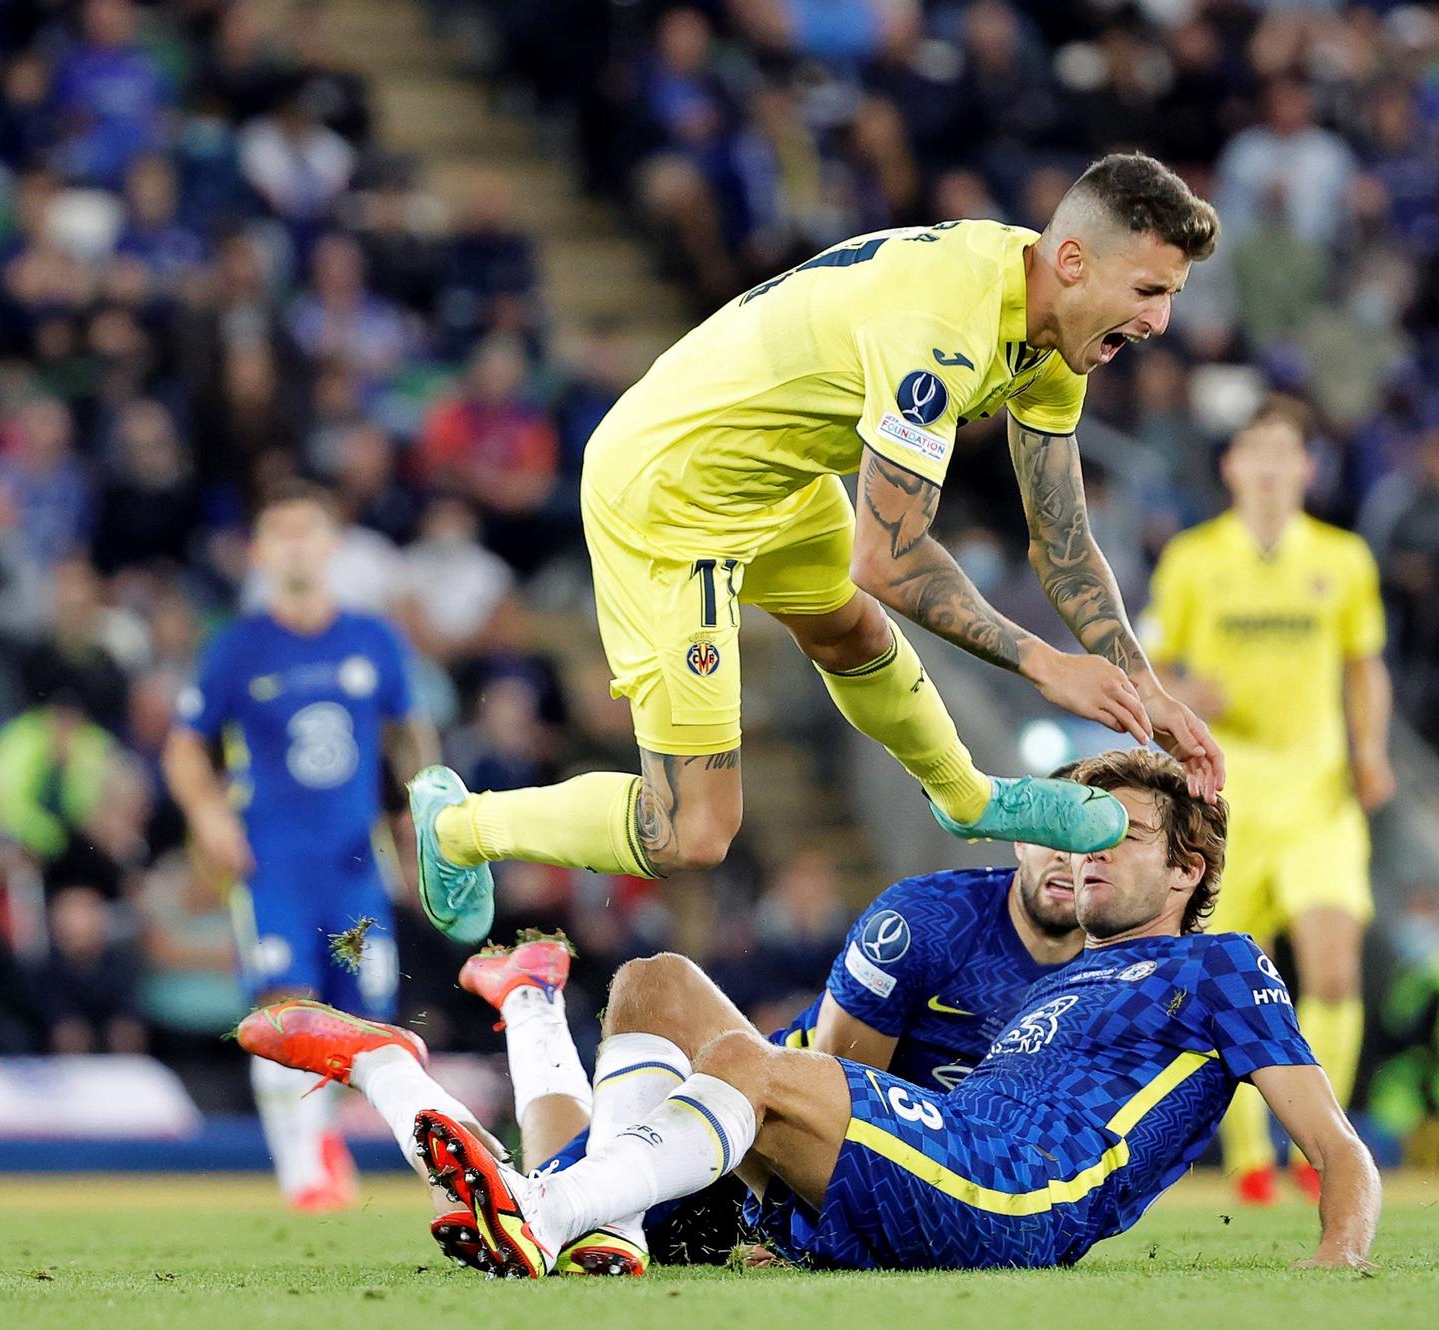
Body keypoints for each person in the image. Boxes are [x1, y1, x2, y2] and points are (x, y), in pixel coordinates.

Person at [407, 152, 1226, 946]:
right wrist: (1046, 664)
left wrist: (1146, 691)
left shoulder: (1055, 326)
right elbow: (888, 559)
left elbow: (1065, 543)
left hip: (778, 472)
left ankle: (968, 799)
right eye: (1149, 291)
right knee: (693, 831)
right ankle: (459, 826)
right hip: (674, 496)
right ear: (1075, 260)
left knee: (851, 632)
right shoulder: (942, 330)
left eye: (1171, 296)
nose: (1159, 321)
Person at [246, 749, 1379, 1277]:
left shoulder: (1219, 964)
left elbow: (1336, 1149)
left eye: (1117, 836)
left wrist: (1335, 1262)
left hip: (1008, 1188)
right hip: (904, 1162)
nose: (1082, 852)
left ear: (1186, 871)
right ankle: (433, 1079)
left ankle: (541, 1202)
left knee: (741, 1073)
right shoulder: (1011, 954)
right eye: (1072, 826)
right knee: (661, 994)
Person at [440, 815, 1085, 1274]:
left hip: (883, 1183)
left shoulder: (1122, 980)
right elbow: (840, 1086)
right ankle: (523, 1010)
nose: (1065, 856)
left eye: (1086, 844)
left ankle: (527, 995)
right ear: (1017, 836)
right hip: (754, 1139)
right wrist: (791, 1225)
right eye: (1050, 835)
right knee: (555, 1199)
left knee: (579, 1216)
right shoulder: (931, 919)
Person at [162, 482, 436, 1212]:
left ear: (332, 543)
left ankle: (325, 1141)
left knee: (365, 1025)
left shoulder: (373, 640)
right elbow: (184, 748)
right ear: (258, 550)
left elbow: (411, 735)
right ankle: (303, 1176)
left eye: (306, 530)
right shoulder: (237, 646)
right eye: (277, 532)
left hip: (354, 864)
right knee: (285, 1008)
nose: (293, 545)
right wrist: (209, 816)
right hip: (272, 863)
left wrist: (426, 808)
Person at [1143, 407, 1394, 1205]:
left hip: (1318, 796)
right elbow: (1148, 664)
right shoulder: (1192, 560)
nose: (1273, 467)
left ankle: (1319, 1143)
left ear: (1307, 469)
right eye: (1258, 452)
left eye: (1288, 453)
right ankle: (1250, 1155)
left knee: (1332, 967)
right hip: (1228, 795)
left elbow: (1364, 665)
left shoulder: (1342, 559)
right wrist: (1181, 693)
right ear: (1232, 466)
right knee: (1237, 981)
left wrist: (1370, 750)